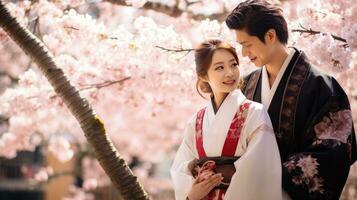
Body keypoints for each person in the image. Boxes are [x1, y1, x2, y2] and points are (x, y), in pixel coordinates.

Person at [225, 1, 357, 199]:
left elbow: (333, 155)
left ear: (270, 36)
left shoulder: (322, 86)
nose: (244, 53)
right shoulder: (245, 86)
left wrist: (264, 177)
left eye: (247, 45)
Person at [170, 39, 282, 200]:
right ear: (203, 75)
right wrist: (192, 194)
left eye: (234, 65)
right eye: (220, 67)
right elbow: (180, 167)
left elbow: (259, 169)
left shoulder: (254, 112)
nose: (230, 73)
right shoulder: (196, 121)